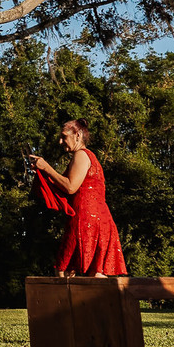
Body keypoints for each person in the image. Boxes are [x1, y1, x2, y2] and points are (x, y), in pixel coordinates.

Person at [29, 118, 127, 277]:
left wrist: (46, 167)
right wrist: (43, 173)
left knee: (64, 270)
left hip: (85, 218)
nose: (61, 142)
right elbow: (66, 186)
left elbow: (70, 186)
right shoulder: (89, 157)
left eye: (64, 136)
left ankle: (70, 302)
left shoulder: (81, 155)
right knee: (95, 272)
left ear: (78, 135)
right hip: (99, 220)